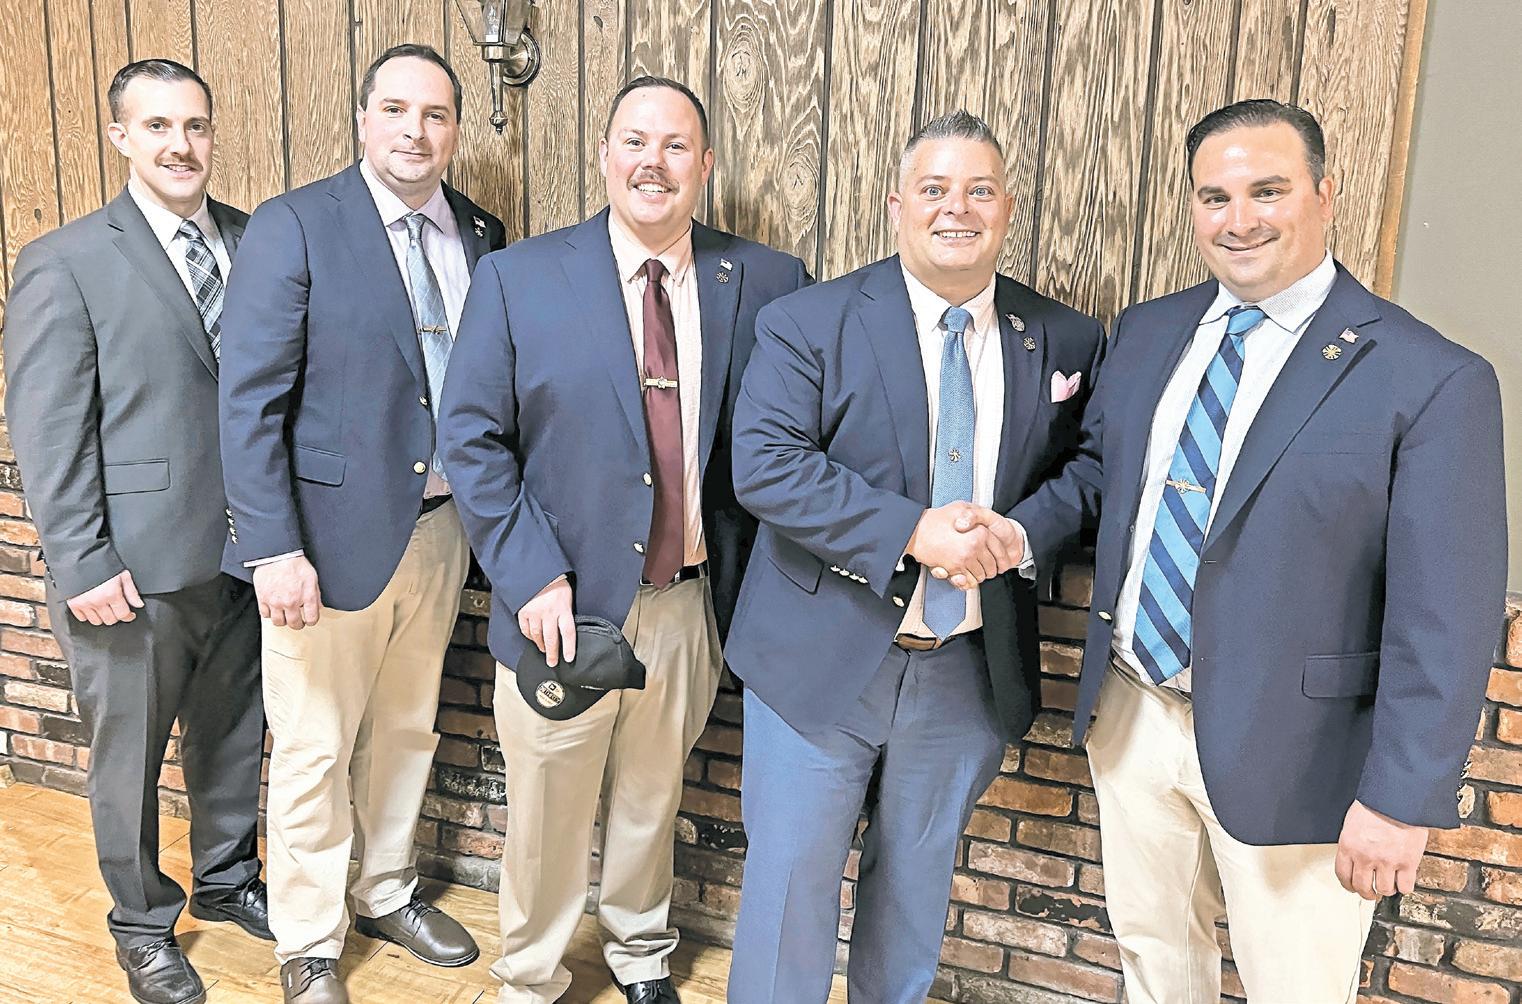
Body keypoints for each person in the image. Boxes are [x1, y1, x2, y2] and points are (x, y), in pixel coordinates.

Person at [1009, 98, 1508, 1001]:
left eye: (1267, 191)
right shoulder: (1148, 331)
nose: (1239, 220)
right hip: (1134, 714)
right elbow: (1102, 477)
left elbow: (1447, 615)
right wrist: (1010, 531)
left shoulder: (1432, 378)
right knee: (1154, 961)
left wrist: (1399, 799)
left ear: (1325, 194)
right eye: (1215, 197)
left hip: (1301, 752)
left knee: (1296, 987)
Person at [439, 76, 808, 1004]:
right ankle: (530, 975)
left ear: (705, 165)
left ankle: (641, 952)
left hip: (690, 601)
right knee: (547, 812)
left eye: (676, 146)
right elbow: (471, 439)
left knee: (653, 796)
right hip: (560, 606)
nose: (654, 162)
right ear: (604, 155)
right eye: (636, 142)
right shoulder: (518, 277)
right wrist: (531, 577)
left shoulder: (767, 282)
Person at [723, 110, 1105, 1003]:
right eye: (934, 189)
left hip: (966, 674)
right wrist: (910, 531)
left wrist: (1021, 534)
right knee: (788, 899)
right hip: (820, 663)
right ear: (896, 205)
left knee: (913, 900)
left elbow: (1091, 468)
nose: (956, 208)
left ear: (1008, 208)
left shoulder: (1065, 338)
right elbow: (767, 465)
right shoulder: (808, 321)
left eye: (979, 190)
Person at [217, 43, 506, 1004]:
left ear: (454, 130)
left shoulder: (483, 232)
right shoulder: (297, 223)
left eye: (435, 115)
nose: (414, 132)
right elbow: (248, 400)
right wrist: (272, 548)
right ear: (363, 119)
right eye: (396, 110)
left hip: (442, 531)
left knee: (407, 728)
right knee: (314, 747)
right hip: (322, 541)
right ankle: (307, 939)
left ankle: (385, 891)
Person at [3, 59, 270, 1004]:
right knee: (128, 758)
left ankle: (229, 880)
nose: (179, 145)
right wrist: (81, 559)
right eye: (157, 126)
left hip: (246, 552)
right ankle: (142, 925)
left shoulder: (255, 239)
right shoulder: (65, 260)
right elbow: (47, 427)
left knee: (234, 734)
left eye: (195, 125)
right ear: (120, 136)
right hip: (131, 566)